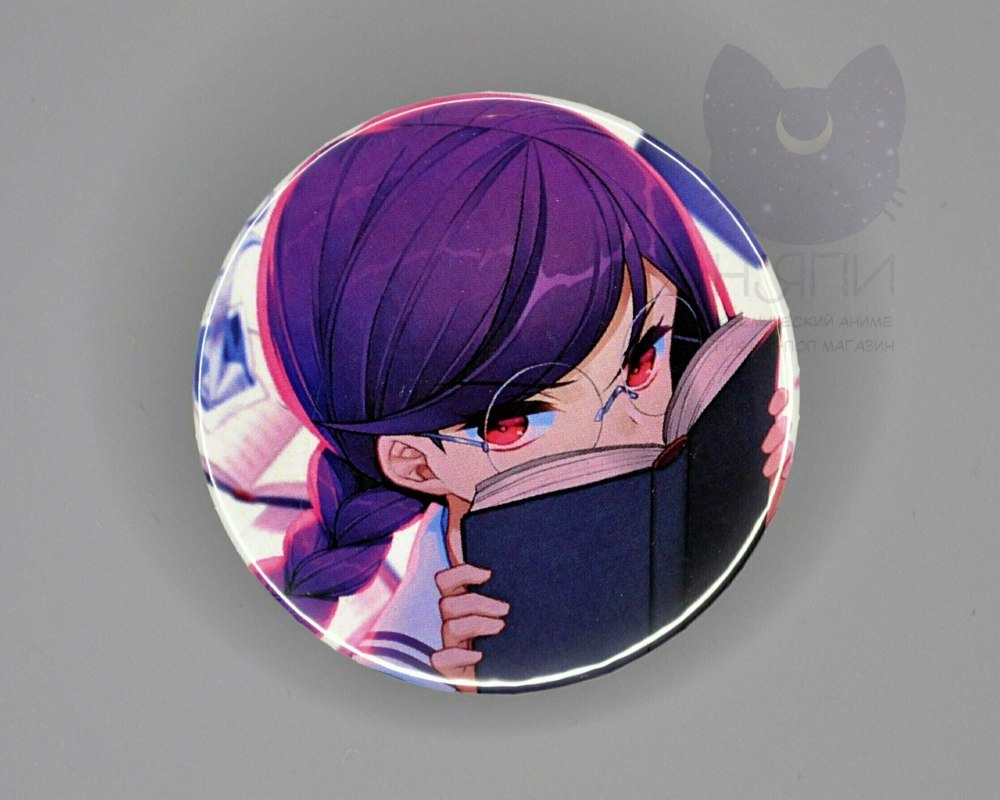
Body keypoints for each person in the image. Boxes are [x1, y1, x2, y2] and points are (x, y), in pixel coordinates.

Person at [256, 94, 790, 690]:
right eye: (512, 423)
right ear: (414, 462)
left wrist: (760, 516)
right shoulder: (426, 644)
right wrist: (462, 694)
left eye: (641, 361)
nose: (618, 435)